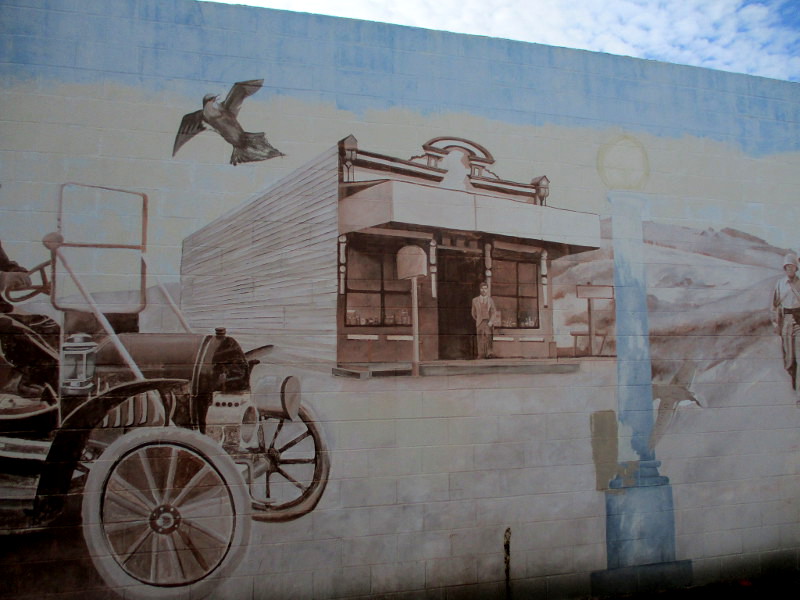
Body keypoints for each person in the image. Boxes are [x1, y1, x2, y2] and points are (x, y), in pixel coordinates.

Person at [772, 252, 800, 393]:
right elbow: (774, 305)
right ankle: (793, 380)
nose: (790, 268)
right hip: (786, 321)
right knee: (789, 360)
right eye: (787, 266)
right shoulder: (780, 284)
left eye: (792, 266)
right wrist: (776, 324)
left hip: (799, 322)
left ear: (796, 268)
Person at [471, 281, 496, 359]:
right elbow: (473, 313)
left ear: (487, 289)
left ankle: (489, 353)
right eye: (482, 288)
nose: (484, 290)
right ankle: (481, 354)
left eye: (485, 288)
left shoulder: (490, 300)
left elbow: (493, 312)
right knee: (480, 338)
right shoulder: (475, 300)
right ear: (480, 289)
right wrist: (478, 319)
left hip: (488, 322)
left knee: (489, 338)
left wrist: (491, 321)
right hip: (480, 322)